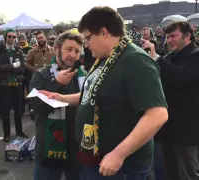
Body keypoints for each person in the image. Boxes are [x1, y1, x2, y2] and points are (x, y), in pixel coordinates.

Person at [41, 6, 168, 179]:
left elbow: (157, 114)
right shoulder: (105, 58)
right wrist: (62, 98)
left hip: (120, 167)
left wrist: (118, 154)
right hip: (96, 160)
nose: (85, 45)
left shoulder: (136, 61)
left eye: (87, 38)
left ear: (103, 32)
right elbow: (94, 94)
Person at [143, 21, 199, 180]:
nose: (169, 40)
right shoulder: (169, 57)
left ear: (188, 36)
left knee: (188, 173)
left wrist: (157, 58)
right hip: (167, 129)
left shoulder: (196, 55)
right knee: (169, 173)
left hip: (187, 132)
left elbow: (182, 78)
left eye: (173, 36)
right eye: (167, 37)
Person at [30, 30, 85, 180]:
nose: (73, 55)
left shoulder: (83, 77)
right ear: (57, 49)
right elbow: (37, 108)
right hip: (49, 148)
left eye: (77, 51)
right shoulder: (41, 75)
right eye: (69, 49)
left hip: (77, 150)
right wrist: (58, 84)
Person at [0, 28, 28, 142]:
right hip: (4, 83)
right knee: (5, 109)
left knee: (18, 109)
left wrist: (10, 69)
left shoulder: (19, 50)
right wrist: (12, 66)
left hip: (17, 82)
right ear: (5, 37)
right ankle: (6, 133)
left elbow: (23, 68)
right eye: (9, 36)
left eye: (14, 36)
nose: (12, 38)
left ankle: (19, 131)